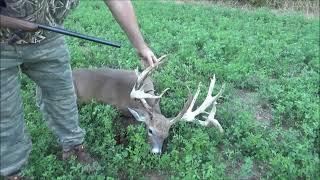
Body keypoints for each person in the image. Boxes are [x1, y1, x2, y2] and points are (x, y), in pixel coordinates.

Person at [0, 0, 158, 179]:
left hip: (47, 34)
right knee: (5, 112)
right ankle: (12, 172)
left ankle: (74, 148)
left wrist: (141, 46)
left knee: (63, 96)